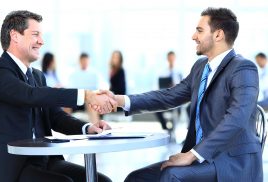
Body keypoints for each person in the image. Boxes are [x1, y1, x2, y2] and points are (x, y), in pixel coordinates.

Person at [96, 7, 262, 182]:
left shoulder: (243, 68)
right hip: (201, 158)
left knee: (172, 175)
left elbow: (236, 118)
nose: (193, 36)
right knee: (137, 178)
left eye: (199, 30)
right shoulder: (201, 67)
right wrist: (119, 100)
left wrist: (193, 154)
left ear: (218, 35)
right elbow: (169, 96)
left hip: (230, 162)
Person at [0, 10, 115, 182]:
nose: (42, 41)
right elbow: (29, 95)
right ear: (15, 36)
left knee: (102, 180)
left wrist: (87, 128)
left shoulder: (38, 77)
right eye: (35, 35)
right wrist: (86, 95)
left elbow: (55, 116)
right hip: (11, 166)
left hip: (44, 160)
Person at [68, 52, 102, 123]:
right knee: (66, 102)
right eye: (83, 61)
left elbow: (98, 88)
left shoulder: (94, 74)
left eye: (86, 61)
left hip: (89, 98)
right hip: (77, 99)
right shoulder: (74, 74)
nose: (85, 63)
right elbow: (70, 88)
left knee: (90, 100)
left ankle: (96, 125)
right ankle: (66, 125)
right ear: (80, 61)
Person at [155, 51, 182, 136]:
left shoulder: (179, 72)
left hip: (176, 98)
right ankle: (165, 128)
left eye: (172, 57)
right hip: (165, 97)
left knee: (179, 109)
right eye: (169, 57)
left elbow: (183, 86)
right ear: (167, 59)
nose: (171, 59)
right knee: (156, 109)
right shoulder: (163, 72)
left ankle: (173, 129)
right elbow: (159, 86)